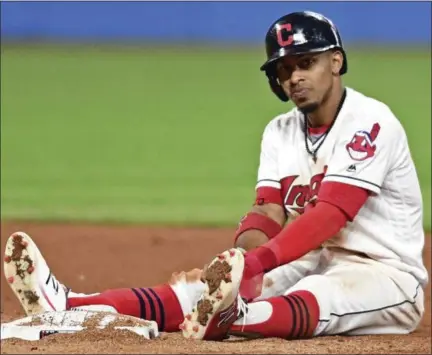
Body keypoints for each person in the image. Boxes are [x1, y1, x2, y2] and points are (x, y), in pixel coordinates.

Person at [4, 11, 427, 342]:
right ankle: (71, 304)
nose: (294, 76)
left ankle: (235, 319)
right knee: (202, 291)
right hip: (314, 258)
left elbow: (331, 214)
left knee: (323, 296)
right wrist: (241, 266)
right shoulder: (279, 131)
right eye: (284, 69)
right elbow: (267, 211)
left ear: (335, 62)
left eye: (306, 63)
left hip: (387, 275)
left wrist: (260, 263)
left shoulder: (369, 122)